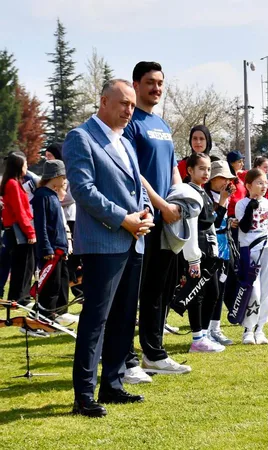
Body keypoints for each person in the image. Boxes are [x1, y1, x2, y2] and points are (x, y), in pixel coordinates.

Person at [63, 79, 154, 417]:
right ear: (103, 101)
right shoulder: (80, 137)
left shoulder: (126, 142)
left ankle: (113, 385)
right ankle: (83, 395)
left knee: (123, 317)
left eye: (132, 105)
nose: (129, 110)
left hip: (134, 240)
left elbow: (137, 187)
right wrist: (123, 219)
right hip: (104, 243)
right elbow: (84, 191)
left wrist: (145, 215)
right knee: (96, 320)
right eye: (123, 103)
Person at [123, 61, 190, 382]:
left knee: (159, 289)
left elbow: (173, 167)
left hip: (168, 219)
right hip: (145, 217)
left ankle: (155, 353)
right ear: (136, 85)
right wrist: (161, 204)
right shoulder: (131, 123)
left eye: (161, 82)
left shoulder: (162, 124)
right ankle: (125, 359)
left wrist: (178, 197)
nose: (157, 88)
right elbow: (135, 172)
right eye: (150, 82)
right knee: (134, 290)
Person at [236, 168, 268, 345]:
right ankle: (248, 329)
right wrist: (252, 206)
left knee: (266, 290)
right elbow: (243, 227)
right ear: (249, 185)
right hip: (249, 251)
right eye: (259, 183)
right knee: (253, 290)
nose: (264, 186)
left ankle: (260, 328)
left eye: (265, 182)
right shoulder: (242, 204)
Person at [180, 152, 226, 353]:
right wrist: (193, 259)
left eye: (208, 169)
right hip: (197, 251)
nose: (206, 173)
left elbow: (212, 223)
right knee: (197, 293)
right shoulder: (189, 192)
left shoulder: (202, 192)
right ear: (190, 170)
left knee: (213, 292)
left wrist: (223, 202)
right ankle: (197, 337)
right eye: (201, 168)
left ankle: (204, 334)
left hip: (209, 250)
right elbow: (190, 227)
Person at [32, 160, 76, 327]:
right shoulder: (42, 196)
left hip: (59, 249)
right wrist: (46, 247)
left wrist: (65, 246)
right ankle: (42, 320)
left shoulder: (53, 195)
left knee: (59, 283)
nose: (65, 181)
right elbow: (41, 225)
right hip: (49, 251)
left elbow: (59, 224)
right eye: (64, 177)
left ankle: (54, 316)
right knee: (49, 287)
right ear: (56, 177)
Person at [204, 160, 237, 345]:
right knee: (211, 291)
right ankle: (205, 330)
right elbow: (213, 224)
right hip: (211, 249)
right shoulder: (206, 197)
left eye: (228, 178)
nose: (226, 181)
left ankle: (216, 328)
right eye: (222, 177)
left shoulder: (224, 196)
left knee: (221, 290)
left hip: (225, 247)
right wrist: (223, 201)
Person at [45, 143, 82, 301]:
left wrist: (55, 200)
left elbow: (71, 197)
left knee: (71, 260)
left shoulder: (67, 174)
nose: (47, 159)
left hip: (69, 219)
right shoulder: (49, 178)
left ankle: (78, 290)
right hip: (58, 219)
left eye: (50, 156)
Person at [0, 152, 36, 306]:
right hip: (18, 229)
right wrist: (30, 232)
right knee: (24, 263)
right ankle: (20, 297)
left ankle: (18, 296)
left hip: (16, 228)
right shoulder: (12, 184)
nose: (27, 166)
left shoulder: (13, 182)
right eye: (25, 164)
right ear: (18, 166)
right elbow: (20, 211)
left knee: (21, 263)